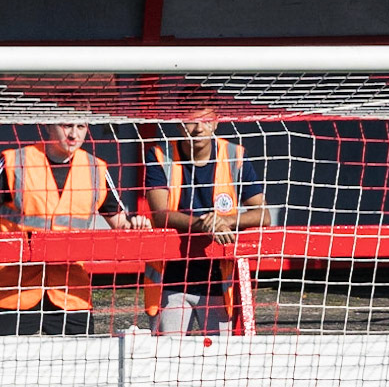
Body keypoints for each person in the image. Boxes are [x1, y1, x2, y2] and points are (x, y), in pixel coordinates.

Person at [0, 122, 151, 335]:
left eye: (80, 127)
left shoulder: (95, 169)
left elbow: (120, 223)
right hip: (14, 290)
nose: (73, 134)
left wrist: (136, 225)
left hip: (70, 291)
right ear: (47, 126)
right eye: (66, 126)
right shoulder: (14, 162)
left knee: (78, 364)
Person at [145, 108, 270, 335]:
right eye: (191, 121)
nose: (199, 128)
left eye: (205, 121)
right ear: (179, 124)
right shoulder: (160, 155)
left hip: (219, 282)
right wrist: (204, 223)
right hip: (171, 281)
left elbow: (263, 214)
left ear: (216, 123)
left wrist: (224, 220)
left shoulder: (235, 155)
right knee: (164, 362)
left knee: (217, 363)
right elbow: (160, 214)